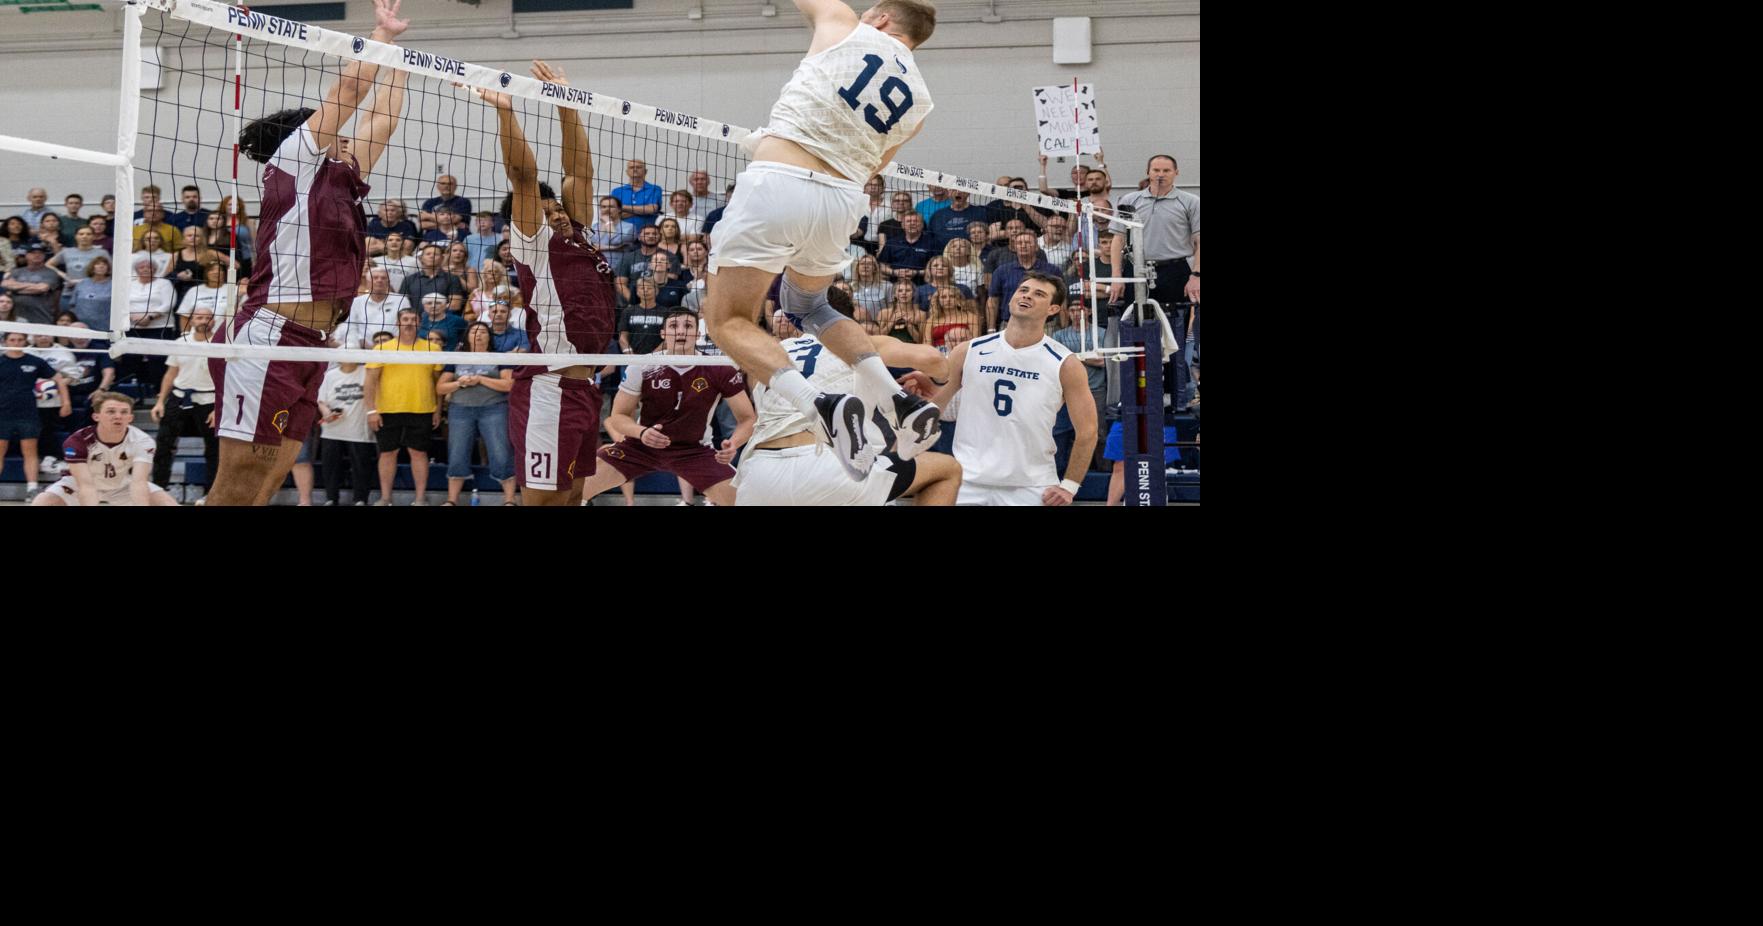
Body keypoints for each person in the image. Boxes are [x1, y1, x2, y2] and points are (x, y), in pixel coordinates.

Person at [699, 0, 940, 481]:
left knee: (725, 319)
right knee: (808, 306)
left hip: (780, 180)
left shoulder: (846, 25)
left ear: (883, 17)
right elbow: (873, 164)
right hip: (841, 201)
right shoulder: (920, 102)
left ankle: (820, 407)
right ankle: (896, 400)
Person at [205, 0, 411, 506]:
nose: (347, 137)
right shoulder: (293, 159)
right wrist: (378, 36)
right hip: (266, 335)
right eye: (337, 133)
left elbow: (383, 118)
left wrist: (401, 57)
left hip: (312, 342)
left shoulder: (340, 176)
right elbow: (350, 89)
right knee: (238, 482)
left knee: (274, 476)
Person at [475, 60, 617, 506]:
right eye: (547, 211)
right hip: (548, 388)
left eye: (557, 209)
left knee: (574, 498)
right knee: (544, 502)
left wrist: (566, 103)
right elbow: (523, 178)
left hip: (584, 389)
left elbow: (580, 173)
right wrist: (505, 111)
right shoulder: (533, 244)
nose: (557, 215)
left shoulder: (580, 236)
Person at [735, 287, 961, 506]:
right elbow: (935, 361)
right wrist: (934, 382)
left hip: (759, 474)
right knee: (946, 470)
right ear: (849, 322)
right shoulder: (857, 343)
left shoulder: (774, 350)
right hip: (832, 467)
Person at [900, 271, 1097, 506]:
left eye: (1039, 294)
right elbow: (938, 407)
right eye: (1023, 290)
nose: (1027, 296)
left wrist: (1070, 486)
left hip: (1032, 485)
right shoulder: (969, 349)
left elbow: (1088, 430)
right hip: (967, 481)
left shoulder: (1065, 363)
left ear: (1053, 309)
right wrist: (925, 393)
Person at [573, 309, 755, 506]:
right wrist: (642, 433)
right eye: (674, 326)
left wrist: (734, 443)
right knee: (574, 489)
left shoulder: (718, 368)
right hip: (640, 447)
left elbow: (748, 418)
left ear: (698, 334)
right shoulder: (644, 365)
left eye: (688, 326)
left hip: (694, 450)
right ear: (663, 333)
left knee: (745, 500)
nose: (681, 332)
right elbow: (618, 416)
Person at [1110, 153, 1200, 408]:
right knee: (1135, 326)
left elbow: (1198, 240)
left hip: (1174, 270)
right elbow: (1117, 238)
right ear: (1148, 172)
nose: (1160, 174)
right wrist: (1117, 276)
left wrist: (1196, 275)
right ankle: (1135, 390)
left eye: (1166, 170)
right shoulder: (1129, 200)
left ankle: (1175, 392)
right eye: (1156, 170)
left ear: (1176, 173)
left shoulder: (1190, 202)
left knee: (1174, 330)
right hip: (1136, 270)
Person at [32, 391, 178, 506]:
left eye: (124, 412)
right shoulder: (78, 440)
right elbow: (86, 486)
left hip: (122, 484)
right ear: (96, 416)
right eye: (111, 411)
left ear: (130, 418)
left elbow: (138, 482)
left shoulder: (142, 440)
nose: (118, 416)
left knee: (167, 502)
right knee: (43, 501)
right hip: (79, 484)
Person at [365, 307, 442, 505]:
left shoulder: (432, 348)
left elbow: (437, 382)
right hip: (388, 410)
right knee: (388, 453)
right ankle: (385, 498)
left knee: (418, 453)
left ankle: (419, 498)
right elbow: (370, 381)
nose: (408, 323)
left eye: (413, 319)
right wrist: (371, 410)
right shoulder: (382, 348)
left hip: (422, 408)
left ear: (419, 323)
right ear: (398, 323)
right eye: (405, 319)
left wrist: (438, 409)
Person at [436, 321, 517, 505]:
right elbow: (440, 387)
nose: (478, 335)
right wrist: (460, 383)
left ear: (489, 336)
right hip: (461, 410)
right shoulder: (457, 358)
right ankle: (452, 500)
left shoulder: (499, 357)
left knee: (501, 453)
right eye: (474, 331)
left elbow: (508, 385)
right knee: (457, 454)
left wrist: (480, 379)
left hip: (494, 408)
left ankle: (510, 500)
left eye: (482, 332)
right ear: (467, 337)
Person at [149, 307, 219, 495]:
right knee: (163, 446)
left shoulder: (221, 344)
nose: (203, 320)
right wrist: (160, 401)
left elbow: (227, 378)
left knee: (214, 450)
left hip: (209, 400)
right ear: (192, 321)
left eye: (207, 317)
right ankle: (158, 489)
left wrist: (220, 407)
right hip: (179, 397)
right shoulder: (181, 342)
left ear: (213, 321)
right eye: (199, 317)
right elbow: (171, 373)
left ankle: (211, 494)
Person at [1, 331, 72, 498]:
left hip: (28, 413)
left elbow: (59, 380)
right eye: (12, 339)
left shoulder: (34, 361)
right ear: (5, 341)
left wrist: (66, 402)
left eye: (20, 340)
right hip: (2, 413)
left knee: (30, 451)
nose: (16, 343)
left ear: (25, 342)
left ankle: (32, 490)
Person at [316, 349, 375, 505]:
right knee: (330, 467)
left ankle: (361, 499)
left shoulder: (366, 372)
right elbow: (321, 401)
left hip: (359, 429)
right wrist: (327, 413)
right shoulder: (330, 376)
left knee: (361, 466)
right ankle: (331, 498)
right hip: (332, 429)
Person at [988, 230, 1060, 332]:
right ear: (1015, 247)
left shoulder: (1052, 270)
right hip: (1010, 325)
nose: (1023, 245)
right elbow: (993, 301)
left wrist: (1063, 325)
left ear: (1036, 247)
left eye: (1028, 243)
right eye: (1019, 243)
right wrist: (991, 328)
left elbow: (1062, 300)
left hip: (1044, 326)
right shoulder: (1002, 271)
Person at [124, 254, 176, 386]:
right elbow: (121, 302)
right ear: (136, 270)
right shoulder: (129, 284)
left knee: (157, 360)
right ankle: (136, 391)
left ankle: (158, 390)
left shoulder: (164, 283)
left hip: (159, 327)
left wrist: (150, 316)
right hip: (133, 326)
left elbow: (169, 303)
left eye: (149, 267)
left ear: (155, 269)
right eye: (142, 267)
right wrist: (133, 317)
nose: (146, 269)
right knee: (131, 359)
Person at [336, 267, 409, 349]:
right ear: (368, 282)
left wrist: (394, 343)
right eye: (375, 278)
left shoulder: (402, 300)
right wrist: (359, 342)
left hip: (394, 347)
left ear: (388, 282)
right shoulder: (356, 302)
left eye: (383, 278)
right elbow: (351, 326)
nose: (379, 280)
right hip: (362, 348)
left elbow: (406, 325)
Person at [4, 243, 64, 324]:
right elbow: (5, 284)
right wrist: (33, 286)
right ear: (26, 255)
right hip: (16, 315)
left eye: (40, 253)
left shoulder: (51, 273)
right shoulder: (16, 271)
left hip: (41, 316)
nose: (37, 255)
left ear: (44, 256)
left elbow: (42, 288)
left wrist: (16, 288)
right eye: (33, 253)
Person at [399, 242, 467, 313]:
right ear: (421, 258)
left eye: (436, 254)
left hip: (441, 321)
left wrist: (434, 315)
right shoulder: (409, 279)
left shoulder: (452, 278)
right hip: (414, 321)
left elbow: (455, 305)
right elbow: (401, 304)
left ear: (442, 258)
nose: (431, 256)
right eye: (428, 254)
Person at [877, 211, 940, 284]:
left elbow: (937, 268)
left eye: (915, 221)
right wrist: (895, 272)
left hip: (923, 285)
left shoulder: (932, 243)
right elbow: (882, 266)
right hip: (896, 285)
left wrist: (917, 273)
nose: (912, 223)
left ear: (922, 225)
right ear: (903, 225)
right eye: (908, 221)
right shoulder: (892, 243)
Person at [175, 261, 234, 330]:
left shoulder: (233, 289)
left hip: (225, 335)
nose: (216, 272)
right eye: (212, 269)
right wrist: (185, 334)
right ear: (206, 273)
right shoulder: (194, 291)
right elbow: (184, 315)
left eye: (220, 270)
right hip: (198, 336)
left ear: (224, 273)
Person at [924, 283, 981, 351]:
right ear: (938, 300)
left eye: (952, 296)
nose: (948, 300)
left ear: (958, 299)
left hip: (963, 352)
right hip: (938, 355)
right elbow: (927, 345)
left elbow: (975, 342)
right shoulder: (931, 320)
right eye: (943, 297)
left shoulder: (971, 317)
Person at [612, 158, 663, 229]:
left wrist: (622, 207)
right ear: (627, 172)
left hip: (648, 235)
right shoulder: (617, 191)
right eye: (632, 167)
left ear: (645, 171)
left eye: (638, 167)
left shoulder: (655, 189)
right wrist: (643, 211)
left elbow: (652, 209)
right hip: (623, 234)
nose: (635, 169)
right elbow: (613, 215)